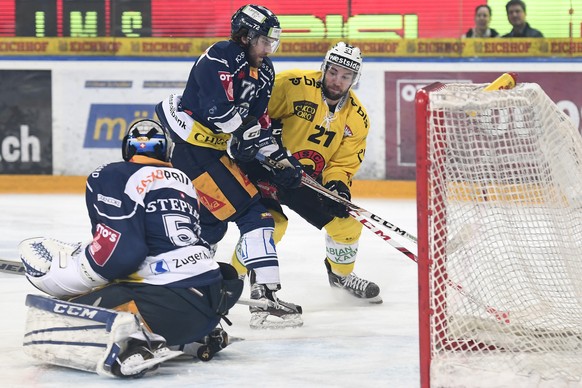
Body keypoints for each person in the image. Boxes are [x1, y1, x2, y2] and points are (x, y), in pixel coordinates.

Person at [18, 119, 243, 378]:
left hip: (165, 307)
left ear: (128, 150)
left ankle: (135, 342)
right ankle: (199, 335)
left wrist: (74, 274)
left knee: (53, 315)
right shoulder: (184, 181)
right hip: (210, 299)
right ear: (165, 150)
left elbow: (122, 255)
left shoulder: (112, 174)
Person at [155, 4, 303, 329]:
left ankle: (186, 295)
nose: (268, 48)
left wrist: (280, 158)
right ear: (245, 35)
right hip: (190, 152)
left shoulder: (264, 71)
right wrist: (246, 134)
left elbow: (258, 125)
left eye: (272, 42)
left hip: (210, 153)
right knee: (255, 214)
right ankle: (264, 303)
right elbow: (220, 112)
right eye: (263, 40)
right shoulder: (221, 54)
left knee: (210, 227)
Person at [233, 42, 382, 304]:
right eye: (334, 72)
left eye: (346, 76)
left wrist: (338, 186)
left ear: (354, 79)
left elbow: (343, 163)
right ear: (324, 68)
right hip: (263, 169)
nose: (337, 81)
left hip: (304, 179)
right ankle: (233, 278)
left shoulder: (357, 118)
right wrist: (270, 154)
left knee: (347, 225)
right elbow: (254, 115)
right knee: (272, 225)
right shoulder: (292, 84)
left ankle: (341, 277)